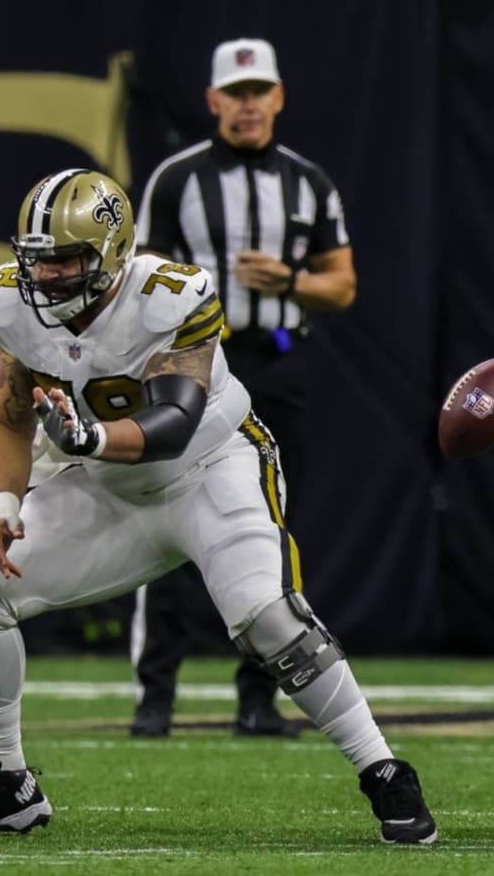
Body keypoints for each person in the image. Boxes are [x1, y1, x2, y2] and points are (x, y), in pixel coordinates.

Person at [0, 169, 435, 844]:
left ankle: (383, 770)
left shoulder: (170, 295)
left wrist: (86, 435)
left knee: (269, 619)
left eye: (66, 260)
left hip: (210, 468)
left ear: (113, 251)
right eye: (38, 260)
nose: (48, 276)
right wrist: (5, 504)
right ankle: (5, 784)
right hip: (108, 489)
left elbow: (174, 418)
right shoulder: (10, 301)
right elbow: (5, 415)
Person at [129, 38, 357, 738]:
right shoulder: (176, 180)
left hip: (276, 362)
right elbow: (140, 282)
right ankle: (155, 698)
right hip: (193, 367)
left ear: (279, 97)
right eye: (237, 91)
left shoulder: (309, 182)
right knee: (166, 523)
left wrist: (287, 281)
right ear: (214, 100)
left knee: (269, 528)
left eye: (261, 90)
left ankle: (258, 700)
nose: (249, 103)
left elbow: (342, 285)